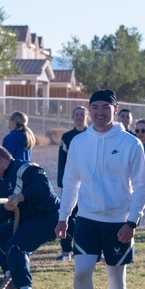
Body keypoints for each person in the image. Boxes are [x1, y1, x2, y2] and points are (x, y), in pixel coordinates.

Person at [56, 89, 145, 289]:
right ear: (89, 109)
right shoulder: (79, 142)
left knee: (116, 277)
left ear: (115, 110)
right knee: (81, 273)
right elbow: (71, 182)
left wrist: (132, 221)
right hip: (86, 219)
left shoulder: (130, 143)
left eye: (104, 108)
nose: (99, 112)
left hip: (119, 223)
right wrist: (64, 216)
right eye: (94, 107)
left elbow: (142, 185)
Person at [0, 146, 59, 289]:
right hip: (29, 220)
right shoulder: (0, 182)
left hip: (49, 218)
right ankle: (10, 277)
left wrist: (20, 197)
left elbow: (43, 188)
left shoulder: (26, 169)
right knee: (1, 233)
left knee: (16, 244)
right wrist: (5, 207)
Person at [56, 106, 89, 260]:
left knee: (88, 217)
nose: (79, 117)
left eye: (82, 115)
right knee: (68, 215)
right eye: (77, 115)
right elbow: (62, 161)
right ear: (72, 117)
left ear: (87, 117)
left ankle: (89, 248)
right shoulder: (67, 137)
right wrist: (62, 181)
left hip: (88, 184)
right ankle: (66, 250)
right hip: (71, 183)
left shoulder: (92, 134)